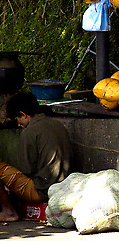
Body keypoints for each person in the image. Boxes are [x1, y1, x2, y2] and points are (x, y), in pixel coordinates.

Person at [0, 92, 72, 221]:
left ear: (24, 114)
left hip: (42, 192)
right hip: (63, 187)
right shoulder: (58, 125)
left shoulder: (29, 132)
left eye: (18, 119)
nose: (18, 125)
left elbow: (26, 170)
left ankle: (7, 212)